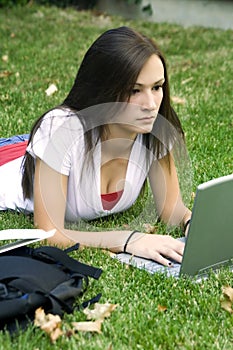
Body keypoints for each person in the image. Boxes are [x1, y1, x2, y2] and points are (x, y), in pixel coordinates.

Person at [0, 26, 192, 267]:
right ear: (105, 90)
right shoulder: (60, 130)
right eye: (135, 90)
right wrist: (129, 240)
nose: (151, 104)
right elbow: (50, 235)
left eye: (157, 87)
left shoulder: (156, 131)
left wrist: (191, 222)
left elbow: (172, 209)